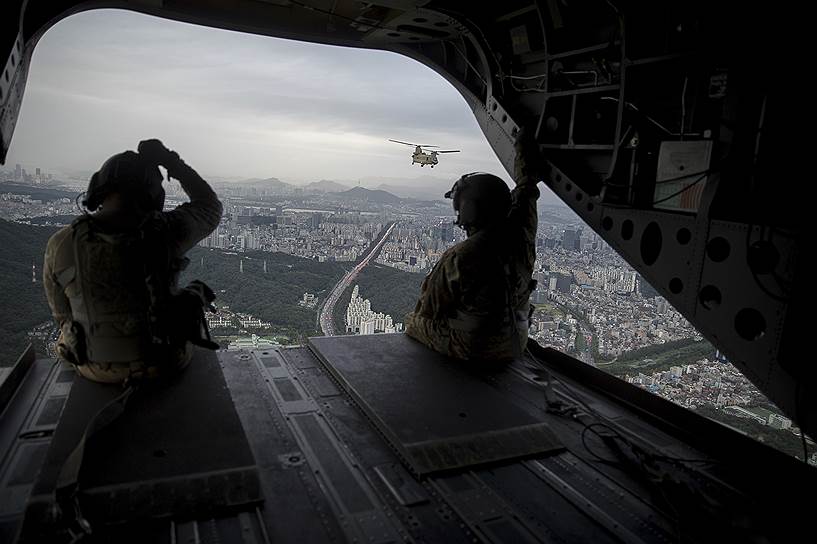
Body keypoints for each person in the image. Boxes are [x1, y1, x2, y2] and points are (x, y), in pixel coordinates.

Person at [43, 139, 223, 383]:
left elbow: (62, 314)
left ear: (98, 188)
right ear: (153, 195)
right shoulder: (167, 231)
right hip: (164, 362)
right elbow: (209, 206)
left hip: (94, 369)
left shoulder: (62, 243)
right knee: (193, 295)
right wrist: (172, 162)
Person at [405, 134, 543, 361]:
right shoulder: (522, 237)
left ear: (469, 210)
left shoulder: (461, 256)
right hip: (516, 342)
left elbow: (429, 309)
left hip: (476, 350)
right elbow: (526, 194)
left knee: (415, 321)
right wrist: (525, 158)